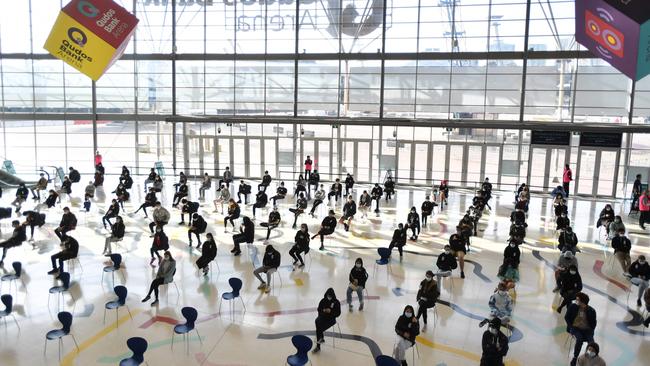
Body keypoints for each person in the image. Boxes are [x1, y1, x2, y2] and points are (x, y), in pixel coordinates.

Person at [565, 292, 597, 366]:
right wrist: (570, 327)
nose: (576, 301)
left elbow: (594, 324)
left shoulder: (591, 311)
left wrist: (591, 332)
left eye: (577, 299)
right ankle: (575, 357)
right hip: (575, 328)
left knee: (592, 344)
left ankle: (589, 359)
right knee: (579, 340)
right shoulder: (573, 306)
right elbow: (566, 317)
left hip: (587, 330)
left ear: (583, 301)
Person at [313, 288, 342, 353]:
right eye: (328, 295)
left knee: (319, 329)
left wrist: (331, 311)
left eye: (330, 296)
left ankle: (318, 345)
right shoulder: (323, 300)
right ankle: (320, 341)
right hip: (323, 317)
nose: (328, 297)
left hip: (331, 319)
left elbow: (338, 313)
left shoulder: (336, 302)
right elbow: (319, 309)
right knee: (317, 321)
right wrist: (324, 310)